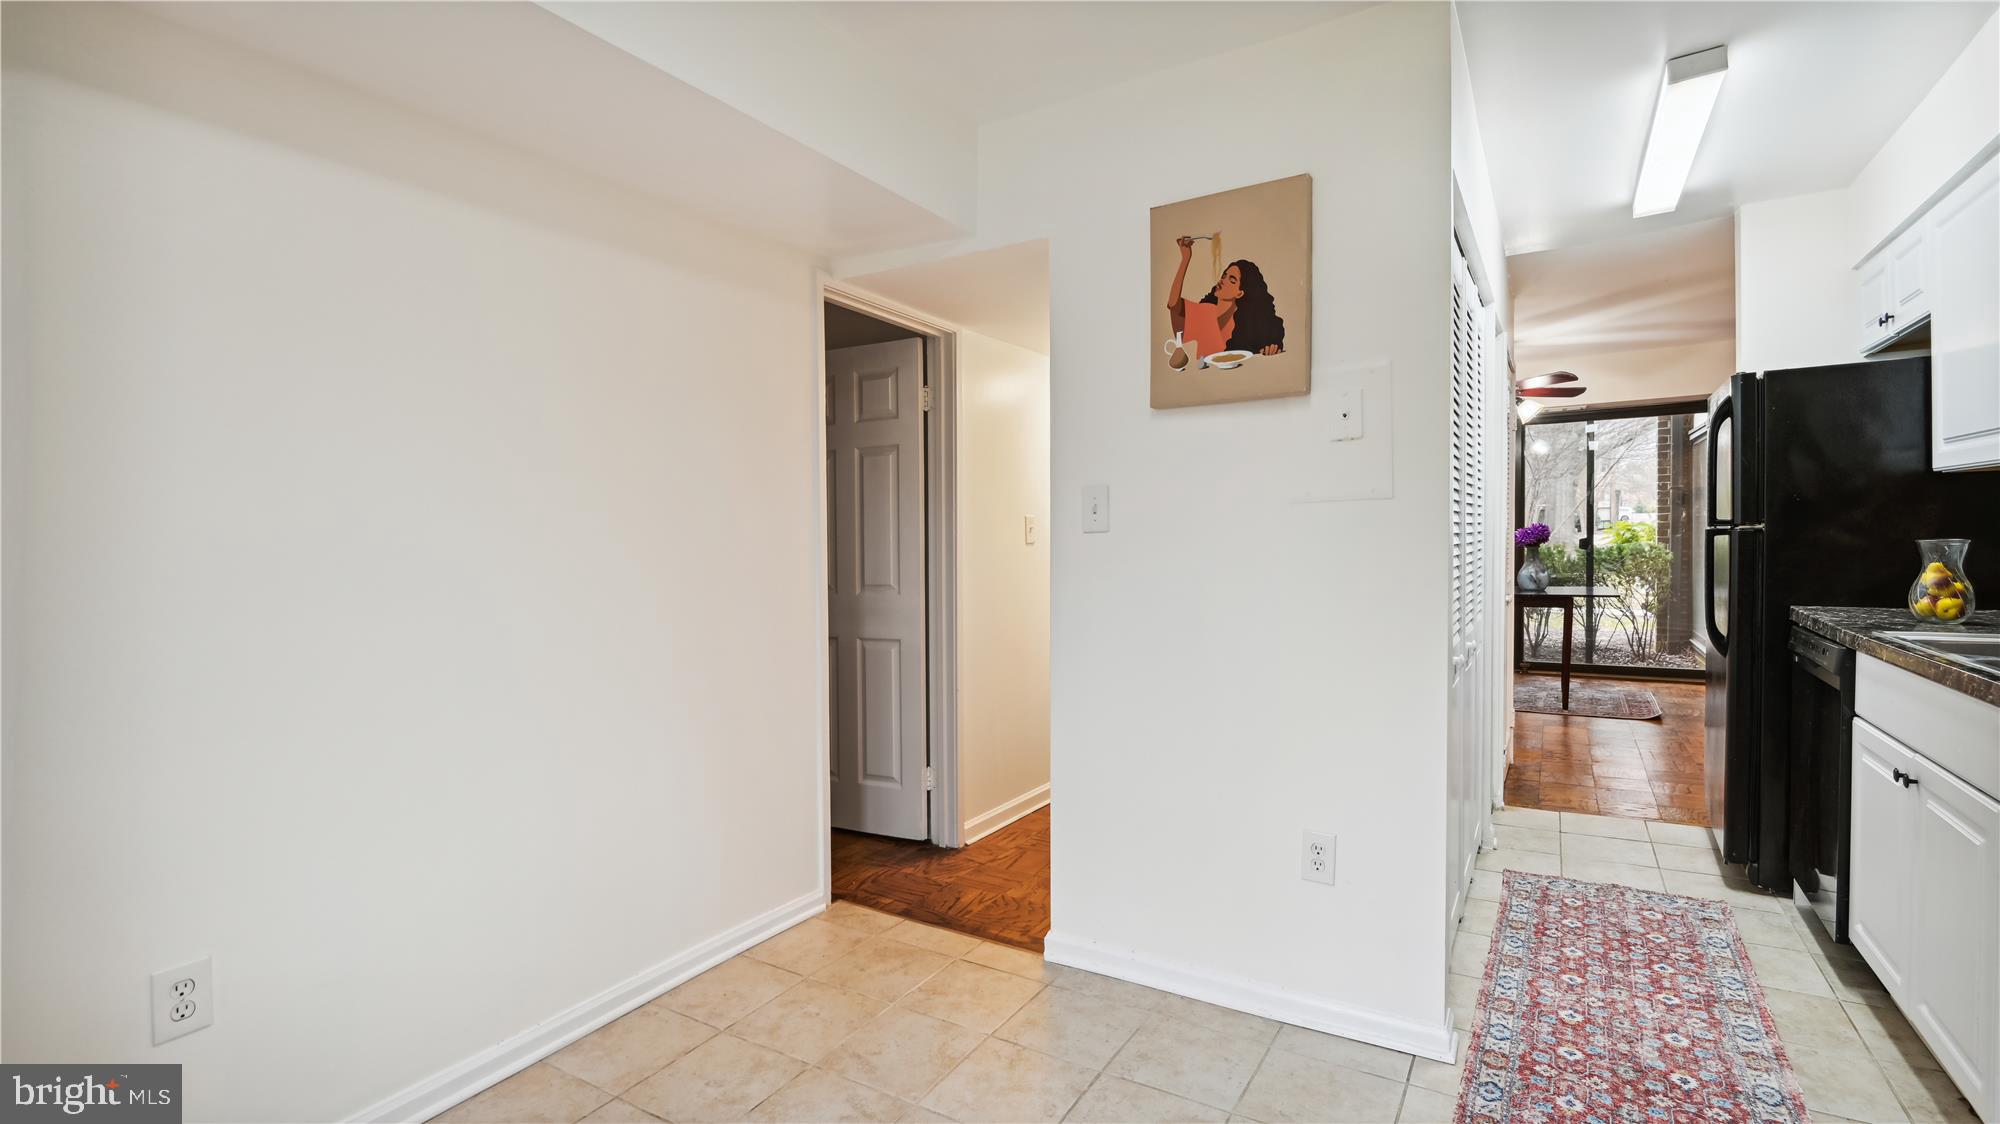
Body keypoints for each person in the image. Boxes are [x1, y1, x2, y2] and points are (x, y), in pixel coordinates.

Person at [1165, 236, 1285, 368]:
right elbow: (1173, 304)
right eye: (1224, 276)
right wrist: (1185, 259)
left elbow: (1270, 338)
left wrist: (1271, 347)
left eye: (1231, 280)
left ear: (1240, 293)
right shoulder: (1205, 311)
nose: (1223, 280)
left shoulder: (1247, 322)